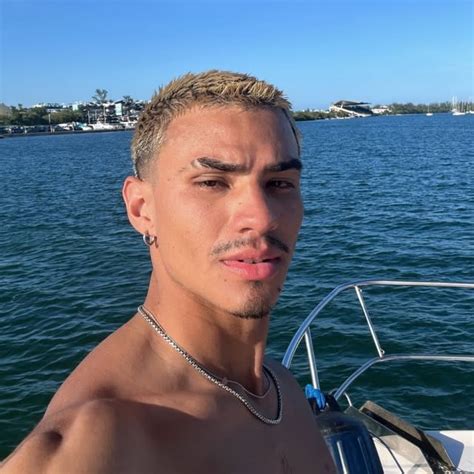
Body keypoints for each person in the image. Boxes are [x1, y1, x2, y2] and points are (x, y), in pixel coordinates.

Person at [2, 71, 335, 473]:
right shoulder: (95, 444)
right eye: (212, 182)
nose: (261, 218)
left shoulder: (282, 389)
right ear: (142, 209)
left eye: (280, 183)